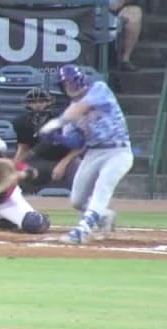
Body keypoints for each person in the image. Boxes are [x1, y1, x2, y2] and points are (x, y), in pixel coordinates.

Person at [39, 64, 133, 245]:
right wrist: (57, 138)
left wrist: (56, 123)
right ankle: (104, 215)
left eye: (71, 82)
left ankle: (82, 231)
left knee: (102, 188)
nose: (69, 86)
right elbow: (76, 142)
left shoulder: (99, 89)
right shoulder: (70, 110)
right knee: (77, 200)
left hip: (118, 151)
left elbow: (81, 108)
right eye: (65, 84)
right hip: (93, 153)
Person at [12, 87, 82, 192]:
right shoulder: (21, 122)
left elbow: (79, 146)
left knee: (78, 166)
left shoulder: (61, 120)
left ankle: (79, 200)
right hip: (38, 160)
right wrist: (12, 168)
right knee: (18, 171)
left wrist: (63, 164)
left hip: (63, 158)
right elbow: (23, 149)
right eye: (33, 102)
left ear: (48, 102)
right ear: (27, 104)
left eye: (42, 101)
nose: (38, 105)